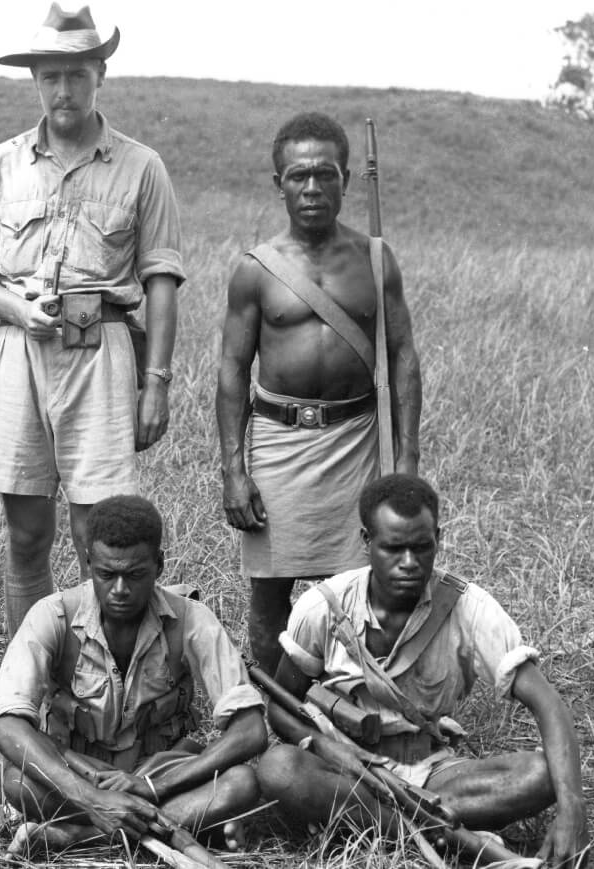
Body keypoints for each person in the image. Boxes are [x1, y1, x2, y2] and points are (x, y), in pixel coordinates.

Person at [0, 4, 185, 637]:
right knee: (26, 532)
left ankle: (95, 672)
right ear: (35, 80)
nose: (63, 89)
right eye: (50, 76)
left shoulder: (142, 166)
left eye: (77, 74)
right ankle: (27, 672)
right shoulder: (3, 164)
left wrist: (156, 383)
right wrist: (18, 310)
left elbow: (162, 279)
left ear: (100, 75)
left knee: (95, 533)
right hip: (19, 355)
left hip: (101, 354)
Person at [257, 474, 590, 867]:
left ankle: (379, 824)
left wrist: (573, 809)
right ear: (366, 542)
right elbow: (281, 706)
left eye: (421, 547)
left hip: (434, 774)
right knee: (279, 769)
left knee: (543, 774)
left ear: (438, 539)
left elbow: (549, 705)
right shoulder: (323, 607)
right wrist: (328, 748)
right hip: (344, 770)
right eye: (393, 548)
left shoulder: (470, 609)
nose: (409, 563)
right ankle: (444, 835)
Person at [216, 111, 422, 672]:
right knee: (270, 595)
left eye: (325, 174)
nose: (312, 188)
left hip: (357, 442)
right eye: (299, 176)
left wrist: (406, 460)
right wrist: (234, 470)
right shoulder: (256, 269)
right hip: (279, 444)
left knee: (359, 591)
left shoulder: (376, 260)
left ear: (346, 180)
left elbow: (403, 355)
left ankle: (346, 699)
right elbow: (233, 368)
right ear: (278, 183)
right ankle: (276, 706)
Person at [0, 495, 266, 856]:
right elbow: (6, 725)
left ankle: (75, 837)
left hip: (161, 774)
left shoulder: (190, 619)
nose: (119, 590)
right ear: (89, 563)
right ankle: (175, 825)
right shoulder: (53, 615)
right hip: (79, 774)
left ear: (159, 565)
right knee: (18, 781)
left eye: (134, 575)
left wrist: (153, 786)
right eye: (106, 575)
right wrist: (91, 798)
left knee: (241, 783)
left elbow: (250, 730)